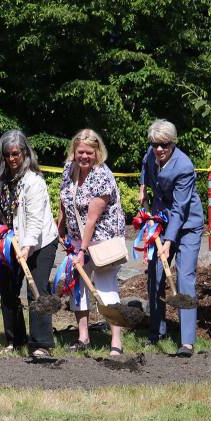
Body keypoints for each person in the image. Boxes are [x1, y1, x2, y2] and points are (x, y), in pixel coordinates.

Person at [57, 129, 127, 357]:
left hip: (103, 240)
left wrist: (83, 250)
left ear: (97, 152)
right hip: (78, 238)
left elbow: (92, 219)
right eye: (80, 152)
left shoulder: (102, 176)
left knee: (106, 287)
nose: (84, 157)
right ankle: (83, 336)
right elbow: (64, 199)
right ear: (74, 151)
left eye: (89, 152)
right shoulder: (69, 169)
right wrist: (61, 226)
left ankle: (116, 341)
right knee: (78, 288)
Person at [0, 130, 60, 359]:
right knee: (8, 289)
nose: (12, 159)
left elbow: (34, 220)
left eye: (16, 154)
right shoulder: (4, 179)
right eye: (8, 154)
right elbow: (7, 212)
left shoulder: (34, 182)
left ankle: (41, 343)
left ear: (25, 153)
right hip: (15, 240)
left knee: (36, 290)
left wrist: (27, 247)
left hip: (41, 242)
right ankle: (15, 339)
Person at [139, 119, 204, 356]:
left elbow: (179, 209)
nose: (159, 149)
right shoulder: (151, 152)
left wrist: (167, 242)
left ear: (173, 143)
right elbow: (146, 165)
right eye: (155, 144)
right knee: (155, 275)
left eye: (164, 145)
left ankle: (187, 341)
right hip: (160, 219)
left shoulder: (184, 166)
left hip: (187, 224)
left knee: (185, 277)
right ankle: (157, 331)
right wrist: (143, 187)